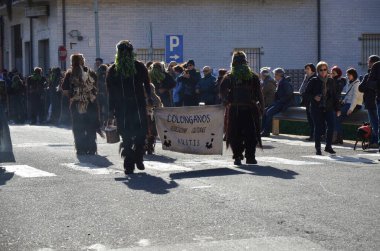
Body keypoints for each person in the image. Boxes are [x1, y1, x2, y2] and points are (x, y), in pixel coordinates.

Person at [106, 40, 152, 175]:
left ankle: (137, 157)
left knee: (139, 134)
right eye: (123, 51)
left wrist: (149, 98)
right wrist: (110, 110)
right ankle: (130, 163)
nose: (125, 54)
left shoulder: (138, 67)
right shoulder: (114, 70)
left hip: (137, 106)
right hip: (123, 108)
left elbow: (147, 85)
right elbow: (111, 93)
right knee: (127, 136)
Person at [220, 51, 264, 165]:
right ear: (245, 62)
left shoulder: (229, 76)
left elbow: (222, 92)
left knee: (235, 133)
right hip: (250, 108)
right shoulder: (253, 76)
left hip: (234, 109)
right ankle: (250, 157)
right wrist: (262, 109)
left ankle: (237, 156)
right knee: (251, 133)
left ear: (233, 62)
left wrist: (226, 102)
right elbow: (259, 94)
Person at [62, 54, 101, 155]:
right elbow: (96, 88)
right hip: (91, 104)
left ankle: (80, 149)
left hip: (76, 104)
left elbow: (65, 90)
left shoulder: (69, 74)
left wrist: (73, 96)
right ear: (83, 61)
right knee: (90, 126)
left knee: (78, 127)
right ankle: (91, 148)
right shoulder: (91, 72)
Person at [305, 61, 340, 155]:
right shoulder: (314, 80)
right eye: (321, 70)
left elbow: (335, 96)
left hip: (329, 107)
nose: (323, 71)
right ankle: (318, 148)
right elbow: (306, 94)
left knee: (331, 126)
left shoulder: (331, 81)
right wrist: (314, 97)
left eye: (325, 69)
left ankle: (328, 146)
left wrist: (337, 109)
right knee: (318, 128)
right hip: (316, 108)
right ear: (318, 71)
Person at [261, 68, 293, 137]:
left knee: (269, 112)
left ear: (279, 75)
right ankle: (263, 130)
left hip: (283, 104)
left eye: (275, 75)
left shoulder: (285, 83)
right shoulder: (281, 82)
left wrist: (279, 101)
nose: (274, 76)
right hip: (278, 102)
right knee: (265, 111)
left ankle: (266, 132)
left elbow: (289, 94)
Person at [335, 68, 363, 144]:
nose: (347, 76)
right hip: (348, 104)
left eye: (349, 75)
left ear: (353, 75)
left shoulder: (357, 84)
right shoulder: (349, 83)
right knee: (336, 117)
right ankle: (338, 137)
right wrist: (343, 101)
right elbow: (348, 96)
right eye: (347, 75)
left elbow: (355, 98)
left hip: (355, 105)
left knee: (337, 117)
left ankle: (338, 138)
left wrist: (350, 109)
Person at [358, 55, 380, 147]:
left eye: (369, 62)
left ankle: (375, 141)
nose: (367, 63)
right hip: (373, 102)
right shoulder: (369, 74)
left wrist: (368, 84)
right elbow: (361, 88)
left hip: (373, 103)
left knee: (375, 124)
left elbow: (362, 87)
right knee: (375, 124)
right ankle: (375, 141)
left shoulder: (368, 76)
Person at [299, 63, 317, 141]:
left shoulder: (315, 78)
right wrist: (305, 79)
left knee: (314, 120)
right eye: (305, 69)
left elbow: (311, 91)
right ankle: (312, 135)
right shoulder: (306, 78)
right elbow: (301, 90)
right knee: (310, 120)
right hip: (307, 102)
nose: (306, 70)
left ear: (312, 70)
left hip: (313, 102)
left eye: (308, 69)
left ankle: (315, 135)